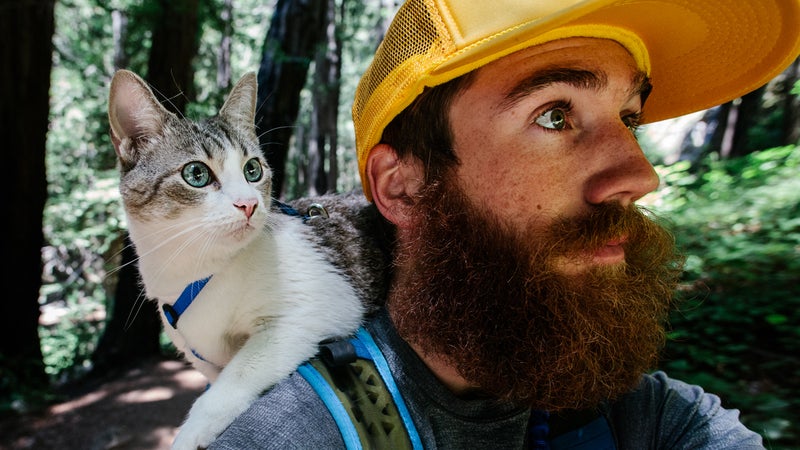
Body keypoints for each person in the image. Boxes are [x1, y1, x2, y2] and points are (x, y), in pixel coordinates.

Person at [210, 0, 800, 448]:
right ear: (404, 186)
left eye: (628, 118)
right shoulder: (294, 432)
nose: (640, 176)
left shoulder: (648, 420)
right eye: (554, 114)